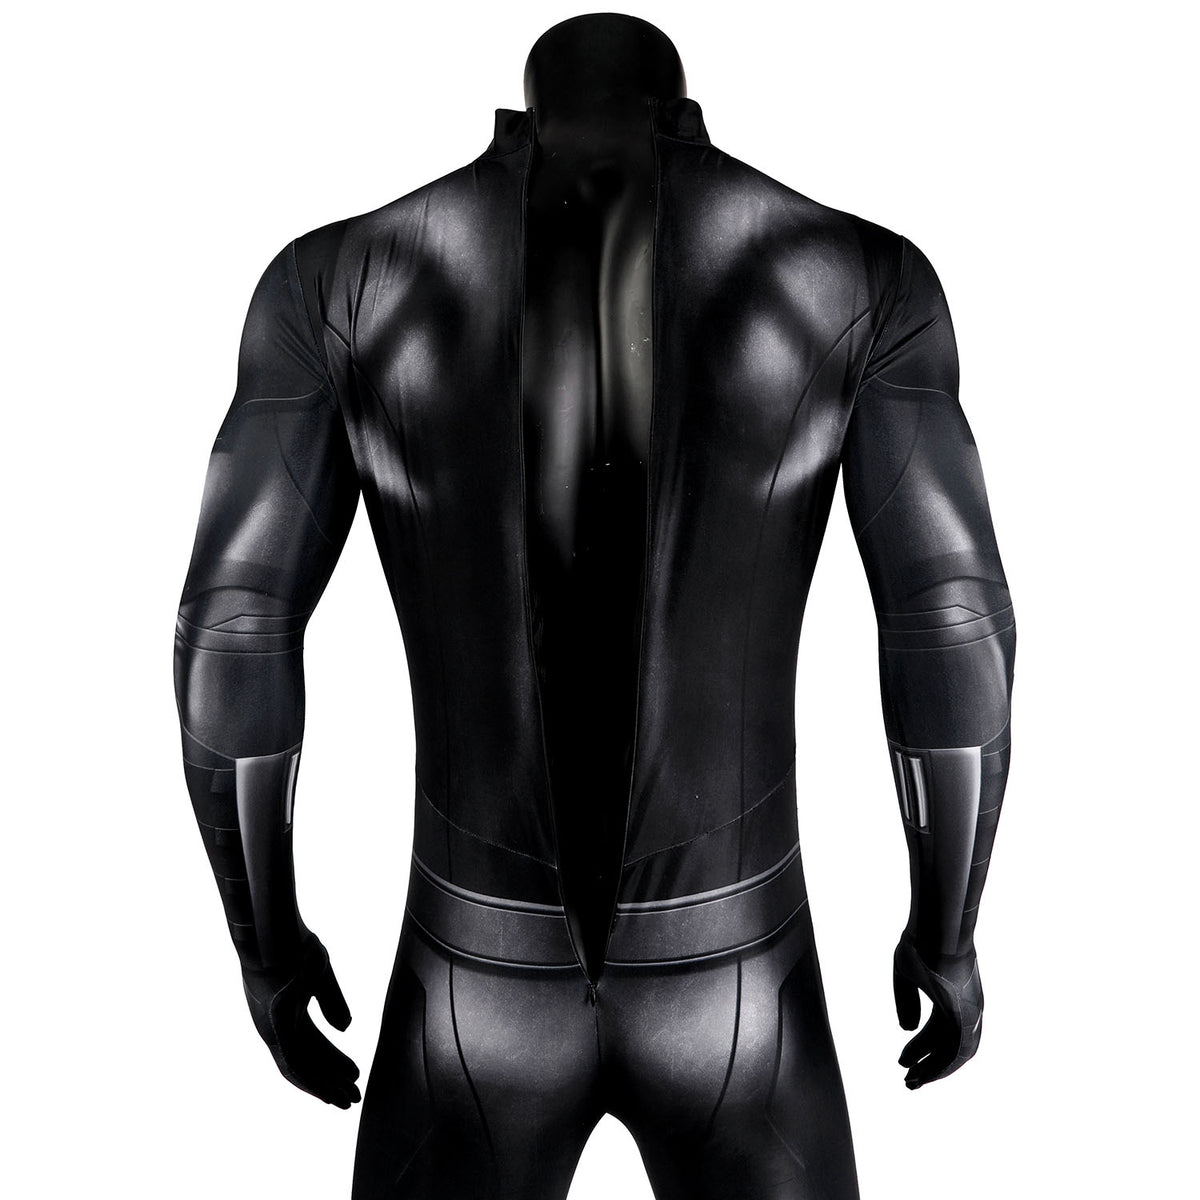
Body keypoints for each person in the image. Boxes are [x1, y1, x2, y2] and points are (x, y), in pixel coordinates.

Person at [174, 14, 1016, 1198]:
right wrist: (947, 931)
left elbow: (232, 629)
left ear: (519, 117)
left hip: (473, 980)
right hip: (737, 981)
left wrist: (266, 946)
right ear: (686, 116)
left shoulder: (340, 282)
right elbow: (954, 624)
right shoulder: (854, 277)